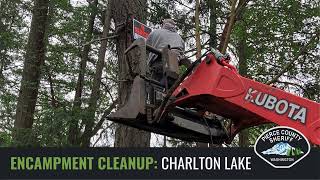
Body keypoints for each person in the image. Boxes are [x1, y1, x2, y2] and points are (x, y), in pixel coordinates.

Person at [146, 19, 185, 84]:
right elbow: (182, 53)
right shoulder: (180, 38)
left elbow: (146, 47)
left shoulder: (155, 32)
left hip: (159, 62)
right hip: (175, 67)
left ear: (163, 24)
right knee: (170, 88)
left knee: (154, 86)